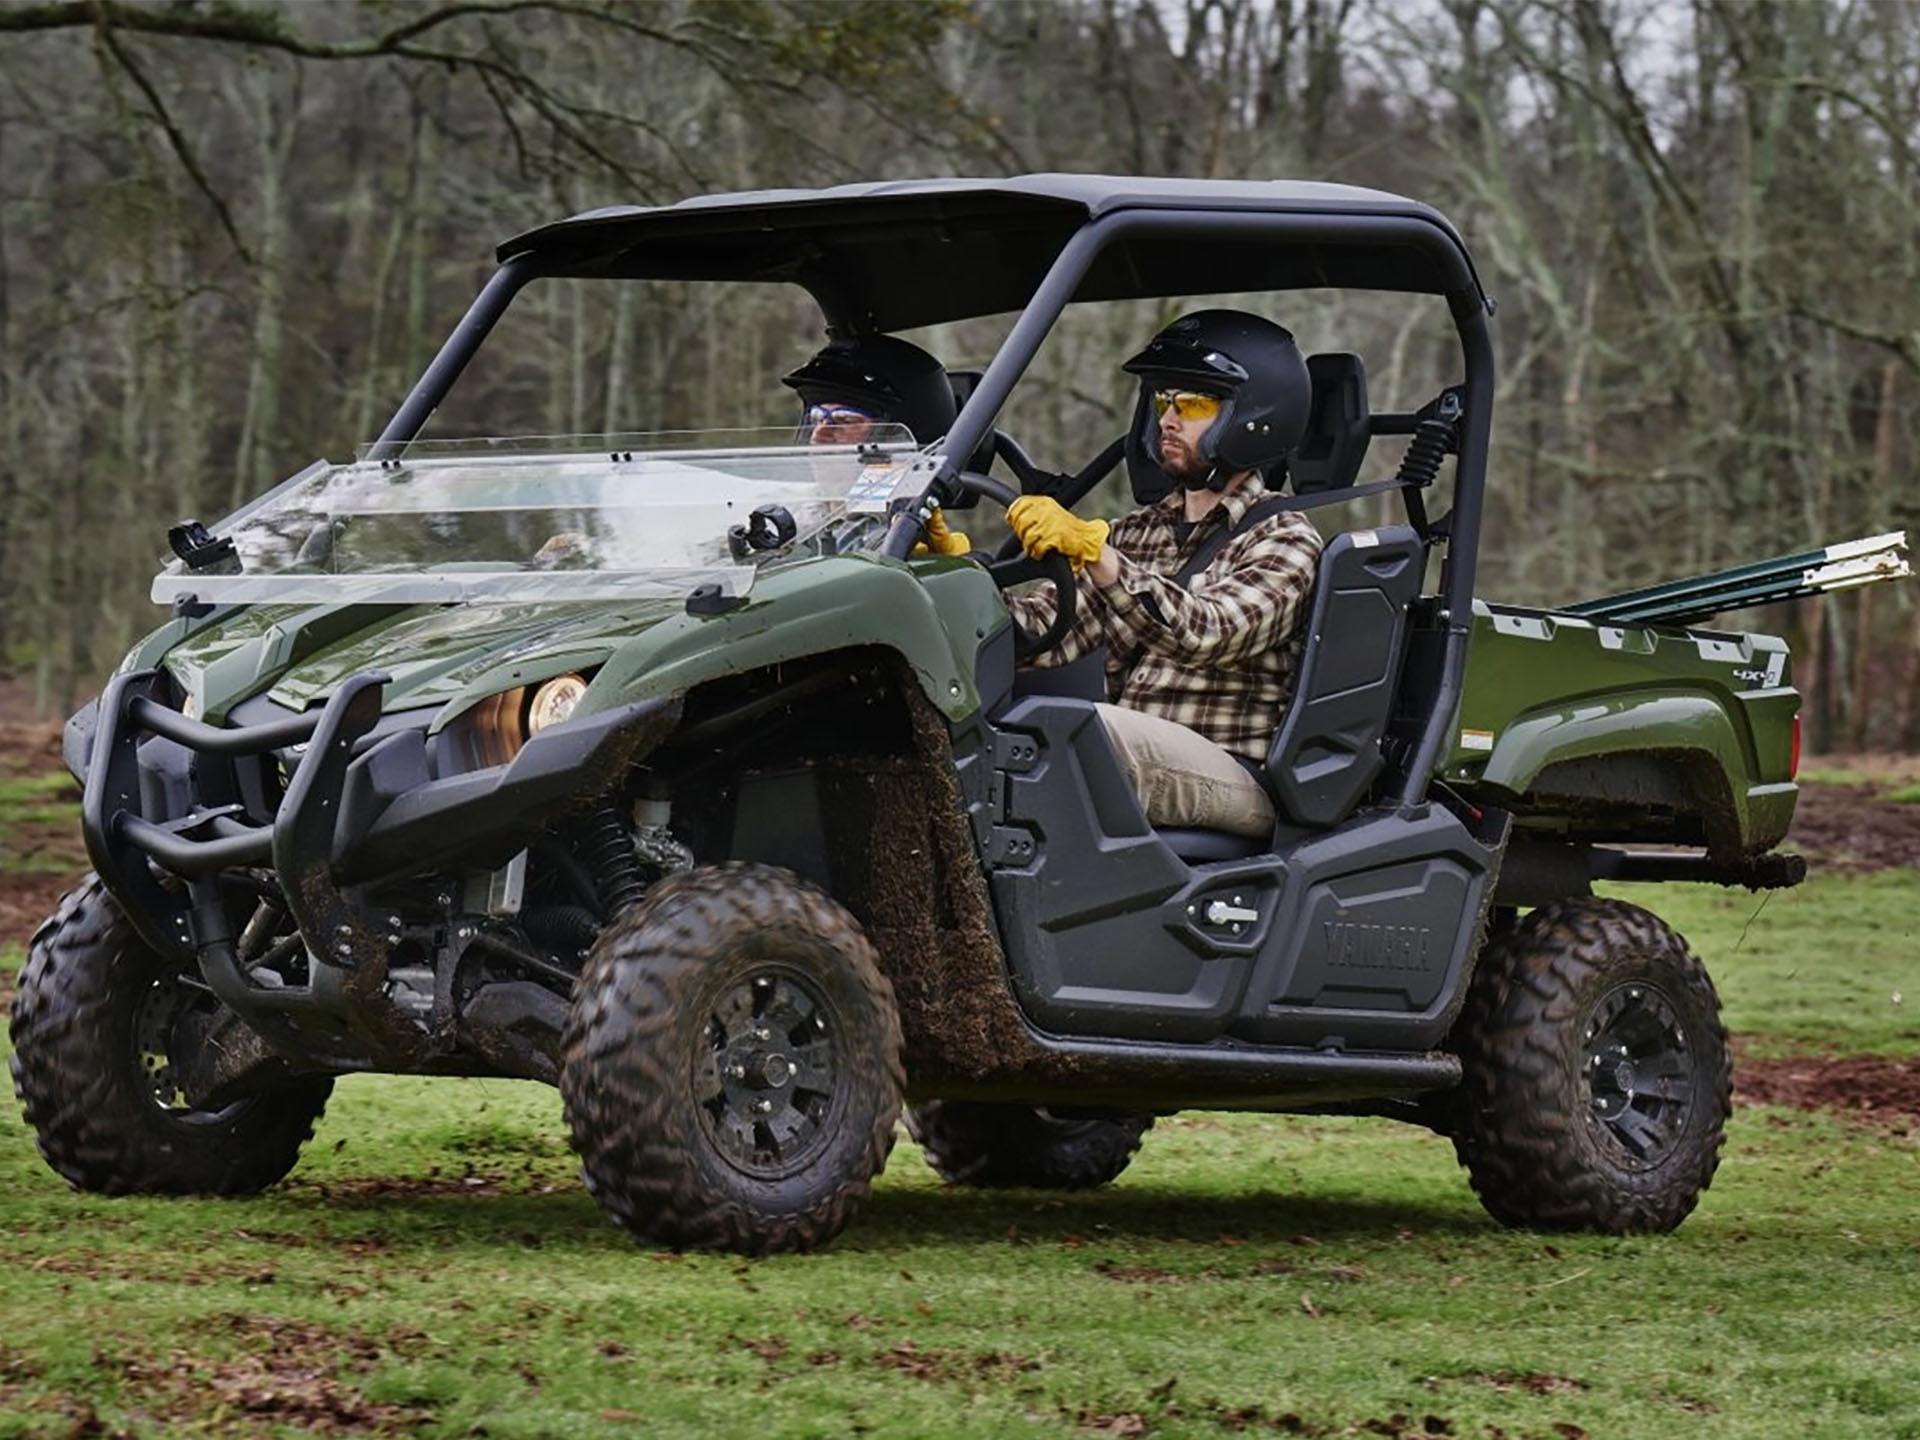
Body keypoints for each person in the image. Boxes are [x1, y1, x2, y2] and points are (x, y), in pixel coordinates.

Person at [923, 310, 1322, 837]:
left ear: (1254, 417)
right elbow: (1042, 634)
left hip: (1236, 772)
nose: (1169, 420)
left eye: (1194, 404)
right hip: (1149, 753)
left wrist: (1098, 554)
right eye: (1163, 402)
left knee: (1085, 735)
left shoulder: (1287, 539)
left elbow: (1206, 633)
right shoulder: (1138, 531)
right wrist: (950, 573)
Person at [783, 334, 957, 448]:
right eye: (816, 419)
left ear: (897, 437)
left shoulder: (923, 505)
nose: (818, 436)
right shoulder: (786, 502)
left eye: (845, 419)